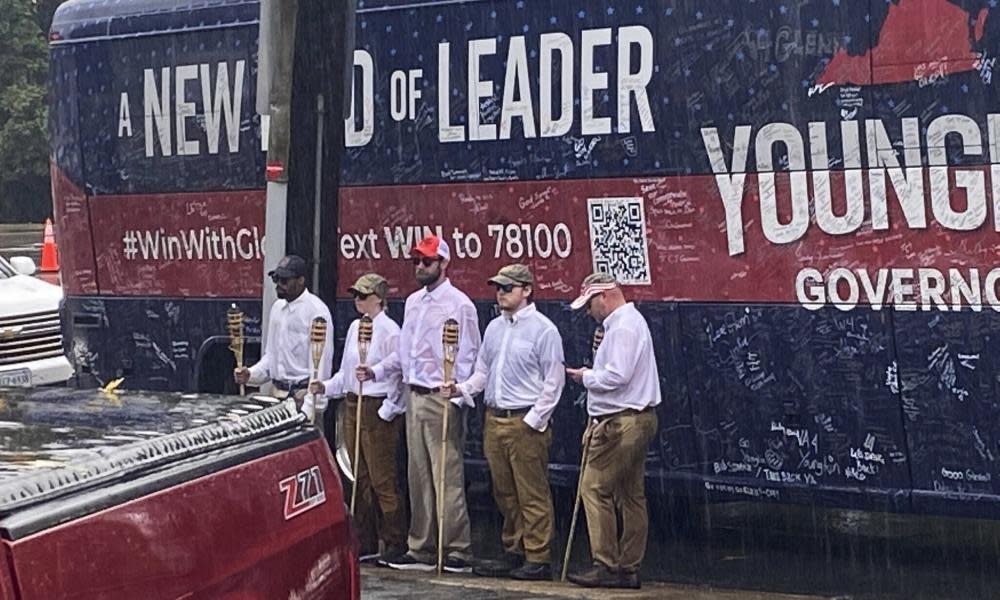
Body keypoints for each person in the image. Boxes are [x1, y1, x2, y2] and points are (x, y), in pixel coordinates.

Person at [357, 234, 481, 573]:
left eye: (426, 261)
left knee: (447, 475)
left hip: (441, 397)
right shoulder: (413, 302)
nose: (420, 267)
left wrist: (459, 392)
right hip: (414, 394)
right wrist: (377, 369)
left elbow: (469, 353)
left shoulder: (460, 304)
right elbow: (405, 352)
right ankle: (422, 546)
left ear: (443, 263)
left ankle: (456, 548)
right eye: (416, 261)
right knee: (418, 475)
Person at [442, 264, 564, 581]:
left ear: (526, 290)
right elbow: (483, 371)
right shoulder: (495, 328)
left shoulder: (544, 329)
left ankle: (538, 556)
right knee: (504, 491)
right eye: (498, 287)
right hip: (494, 418)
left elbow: (554, 380)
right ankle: (515, 549)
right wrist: (462, 389)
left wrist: (535, 420)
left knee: (531, 492)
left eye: (507, 288)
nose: (501, 293)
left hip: (524, 419)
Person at [564, 273, 660, 590]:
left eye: (590, 304)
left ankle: (605, 563)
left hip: (620, 422)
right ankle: (629, 567)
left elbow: (616, 376)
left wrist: (584, 377)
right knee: (630, 494)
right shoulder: (629, 323)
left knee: (594, 488)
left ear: (604, 297)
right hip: (637, 418)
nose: (589, 311)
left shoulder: (622, 327)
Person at [309, 273, 407, 563]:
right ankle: (364, 540)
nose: (357, 300)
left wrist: (389, 409)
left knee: (382, 478)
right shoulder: (355, 327)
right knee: (359, 476)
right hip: (353, 402)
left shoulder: (390, 330)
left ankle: (394, 540)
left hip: (376, 406)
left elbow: (400, 371)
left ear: (378, 298)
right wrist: (325, 386)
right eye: (356, 295)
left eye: (363, 296)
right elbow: (346, 372)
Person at [234, 254, 333, 427]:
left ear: (301, 280)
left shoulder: (317, 311)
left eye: (285, 280)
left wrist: (310, 406)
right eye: (276, 279)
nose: (279, 284)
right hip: (276, 395)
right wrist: (250, 374)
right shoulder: (277, 309)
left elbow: (321, 364)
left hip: (302, 396)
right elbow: (272, 356)